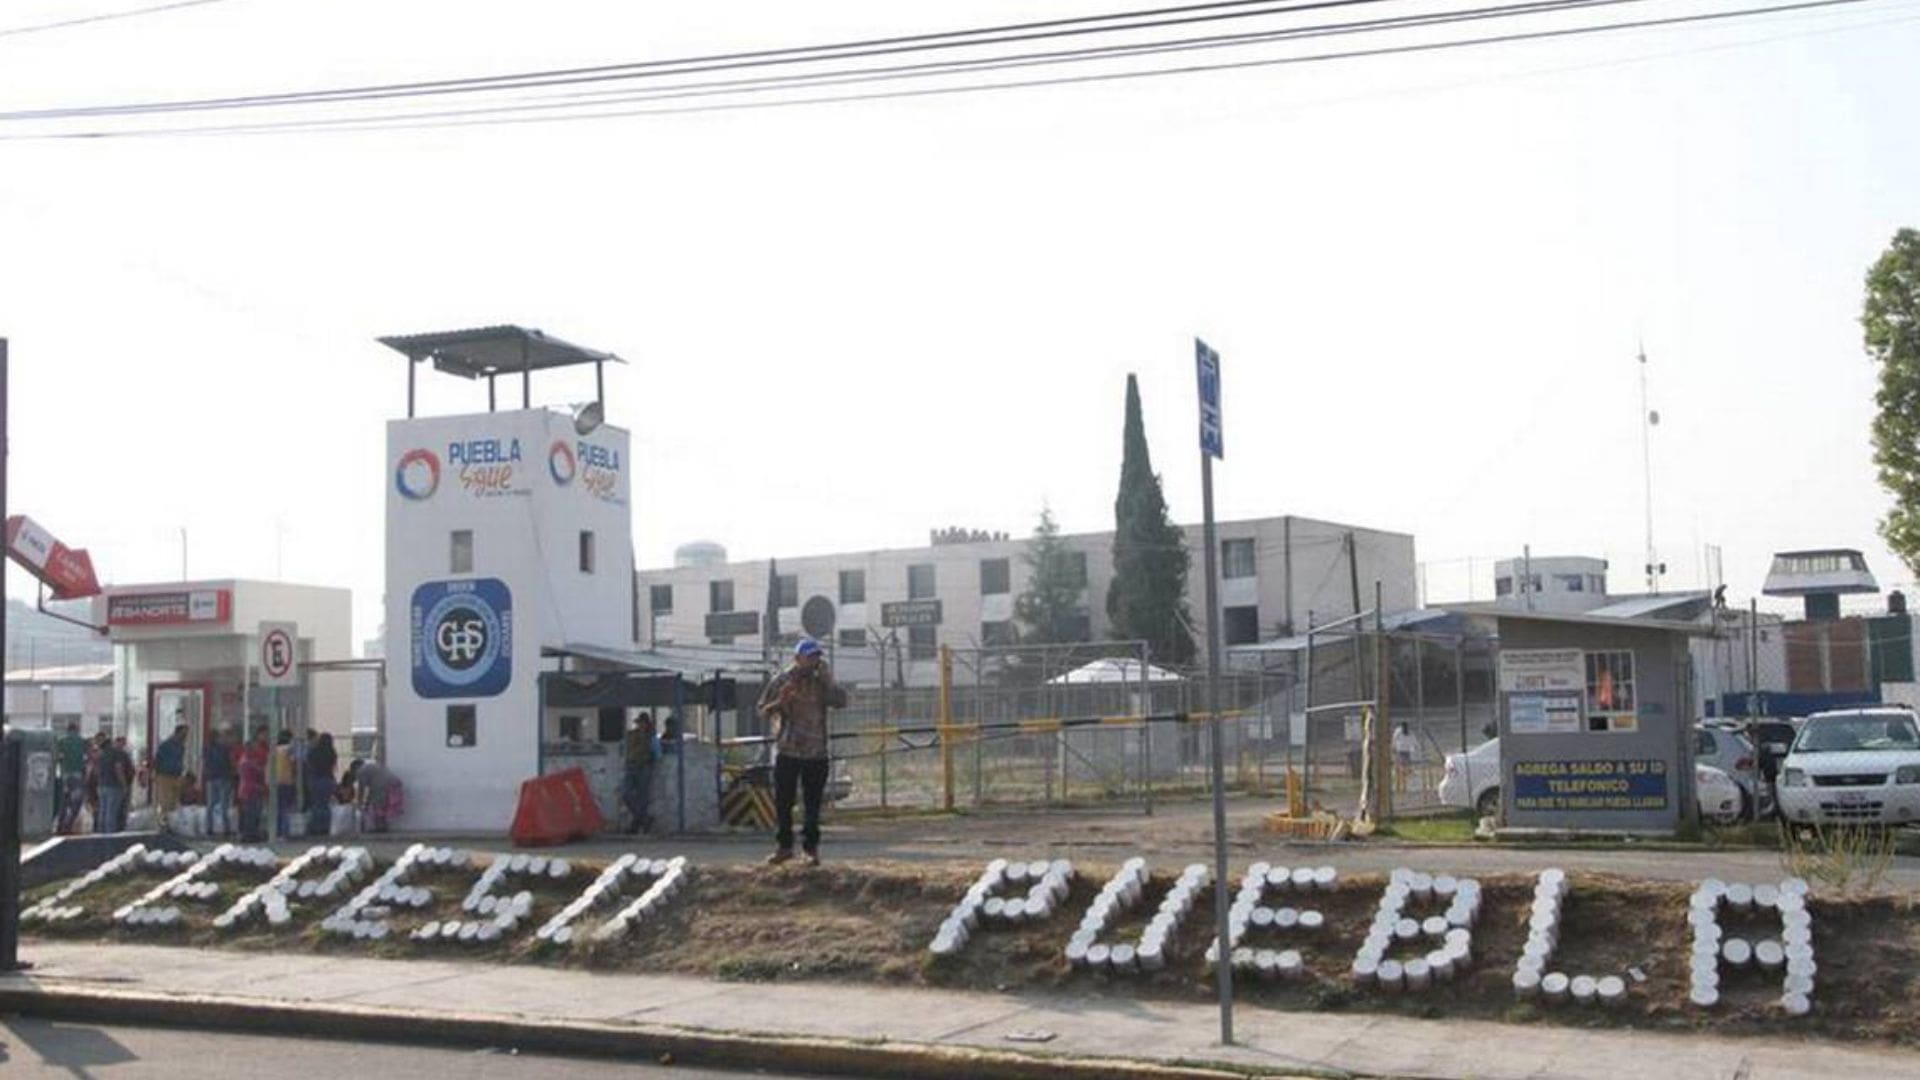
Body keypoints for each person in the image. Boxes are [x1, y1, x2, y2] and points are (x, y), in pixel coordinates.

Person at [756, 638, 848, 867]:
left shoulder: (821, 682)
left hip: (816, 752)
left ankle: (811, 849)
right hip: (788, 750)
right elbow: (763, 711)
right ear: (798, 659)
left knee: (812, 804)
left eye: (817, 657)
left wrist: (828, 681)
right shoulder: (782, 680)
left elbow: (841, 701)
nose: (814, 661)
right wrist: (780, 702)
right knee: (783, 803)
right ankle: (784, 847)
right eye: (810, 657)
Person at [622, 712, 659, 835]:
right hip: (632, 766)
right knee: (626, 794)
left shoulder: (651, 737)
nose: (641, 725)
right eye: (640, 723)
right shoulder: (632, 735)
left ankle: (636, 825)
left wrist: (651, 762)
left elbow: (657, 754)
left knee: (642, 798)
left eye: (643, 723)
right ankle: (645, 819)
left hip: (644, 766)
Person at [346, 758, 402, 832]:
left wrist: (359, 804)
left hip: (383, 785)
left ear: (355, 768)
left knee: (377, 805)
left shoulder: (361, 771)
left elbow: (361, 790)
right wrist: (367, 801)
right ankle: (383, 826)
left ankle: (379, 827)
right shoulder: (371, 766)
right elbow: (371, 790)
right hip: (394, 783)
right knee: (383, 805)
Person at [153, 721, 189, 826]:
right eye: (184, 734)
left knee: (174, 800)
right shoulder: (166, 745)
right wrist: (156, 773)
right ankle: (163, 821)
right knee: (165, 800)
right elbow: (158, 759)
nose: (185, 737)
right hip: (165, 775)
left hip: (176, 775)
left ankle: (172, 822)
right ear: (177, 733)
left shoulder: (181, 746)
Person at [95, 735, 133, 834]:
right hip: (114, 786)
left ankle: (101, 834)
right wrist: (124, 785)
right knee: (111, 813)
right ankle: (110, 836)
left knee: (103, 812)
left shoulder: (101, 755)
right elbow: (118, 769)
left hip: (101, 786)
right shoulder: (117, 753)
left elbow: (96, 771)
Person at [203, 727, 237, 837]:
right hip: (223, 777)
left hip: (211, 778)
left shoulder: (206, 749)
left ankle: (209, 828)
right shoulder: (224, 748)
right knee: (224, 805)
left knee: (210, 804)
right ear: (218, 737)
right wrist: (232, 775)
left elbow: (205, 763)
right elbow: (230, 762)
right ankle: (226, 829)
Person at [237, 729, 270, 842]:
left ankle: (251, 833)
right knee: (251, 813)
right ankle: (249, 834)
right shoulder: (247, 762)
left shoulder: (247, 760)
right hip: (251, 791)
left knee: (252, 813)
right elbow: (251, 777)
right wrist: (261, 787)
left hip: (248, 790)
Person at [55, 721, 87, 834]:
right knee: (76, 802)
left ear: (67, 729)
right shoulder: (82, 741)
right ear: (77, 729)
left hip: (65, 775)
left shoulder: (61, 741)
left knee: (64, 802)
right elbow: (86, 758)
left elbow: (58, 757)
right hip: (77, 775)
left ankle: (60, 827)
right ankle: (68, 826)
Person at [306, 732, 338, 836]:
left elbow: (309, 764)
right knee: (325, 804)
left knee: (316, 804)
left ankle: (316, 828)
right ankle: (325, 828)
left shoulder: (313, 752)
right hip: (328, 779)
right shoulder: (332, 752)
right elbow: (333, 766)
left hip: (315, 779)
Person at [271, 730, 298, 839]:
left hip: (275, 781)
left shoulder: (274, 750)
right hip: (287, 780)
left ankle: (276, 832)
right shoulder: (290, 749)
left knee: (277, 808)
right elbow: (294, 763)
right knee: (286, 808)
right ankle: (284, 832)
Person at [1392, 722, 1418, 792]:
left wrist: (1414, 748)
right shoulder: (1398, 732)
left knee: (1404, 770)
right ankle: (1399, 786)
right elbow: (1394, 740)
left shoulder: (1410, 733)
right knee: (1400, 769)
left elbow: (1414, 742)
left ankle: (1404, 786)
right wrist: (1394, 748)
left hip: (1406, 752)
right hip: (1400, 751)